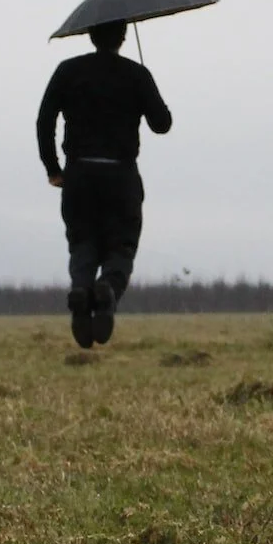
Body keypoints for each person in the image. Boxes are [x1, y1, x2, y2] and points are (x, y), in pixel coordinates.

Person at [37, 21, 171, 347]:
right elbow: (162, 124)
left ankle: (82, 289)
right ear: (123, 37)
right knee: (121, 246)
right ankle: (108, 289)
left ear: (90, 35)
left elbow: (44, 120)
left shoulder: (68, 71)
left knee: (82, 243)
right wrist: (144, 84)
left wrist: (53, 168)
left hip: (79, 176)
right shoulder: (136, 74)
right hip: (121, 176)